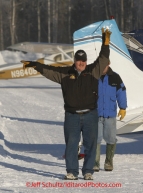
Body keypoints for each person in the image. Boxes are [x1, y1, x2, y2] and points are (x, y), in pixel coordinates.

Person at [21, 28, 111, 180]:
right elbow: (49, 70)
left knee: (91, 144)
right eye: (78, 61)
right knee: (71, 144)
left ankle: (88, 171)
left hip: (90, 114)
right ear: (74, 61)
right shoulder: (65, 73)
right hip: (72, 116)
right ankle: (72, 172)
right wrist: (35, 65)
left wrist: (106, 42)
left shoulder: (93, 71)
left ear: (86, 62)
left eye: (83, 61)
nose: (81, 63)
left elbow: (103, 58)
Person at [93, 62, 127, 172]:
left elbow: (121, 91)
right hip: (96, 114)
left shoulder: (115, 77)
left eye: (105, 65)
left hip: (110, 115)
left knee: (111, 139)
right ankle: (95, 163)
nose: (103, 67)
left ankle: (108, 162)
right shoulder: (93, 76)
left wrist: (122, 107)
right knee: (95, 139)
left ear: (109, 64)